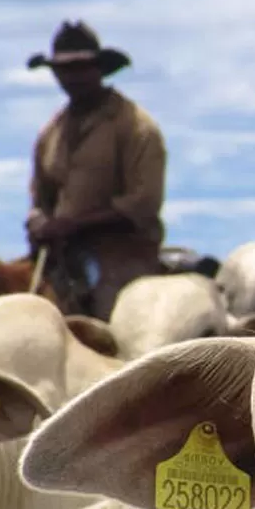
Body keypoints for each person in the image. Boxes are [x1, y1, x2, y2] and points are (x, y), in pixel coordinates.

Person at [24, 20, 167, 320]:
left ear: (99, 69)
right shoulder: (51, 132)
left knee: (113, 315)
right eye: (64, 70)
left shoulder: (135, 126)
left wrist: (75, 224)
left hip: (124, 252)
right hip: (61, 255)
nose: (72, 78)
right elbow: (40, 197)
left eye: (81, 68)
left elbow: (143, 202)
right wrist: (39, 221)